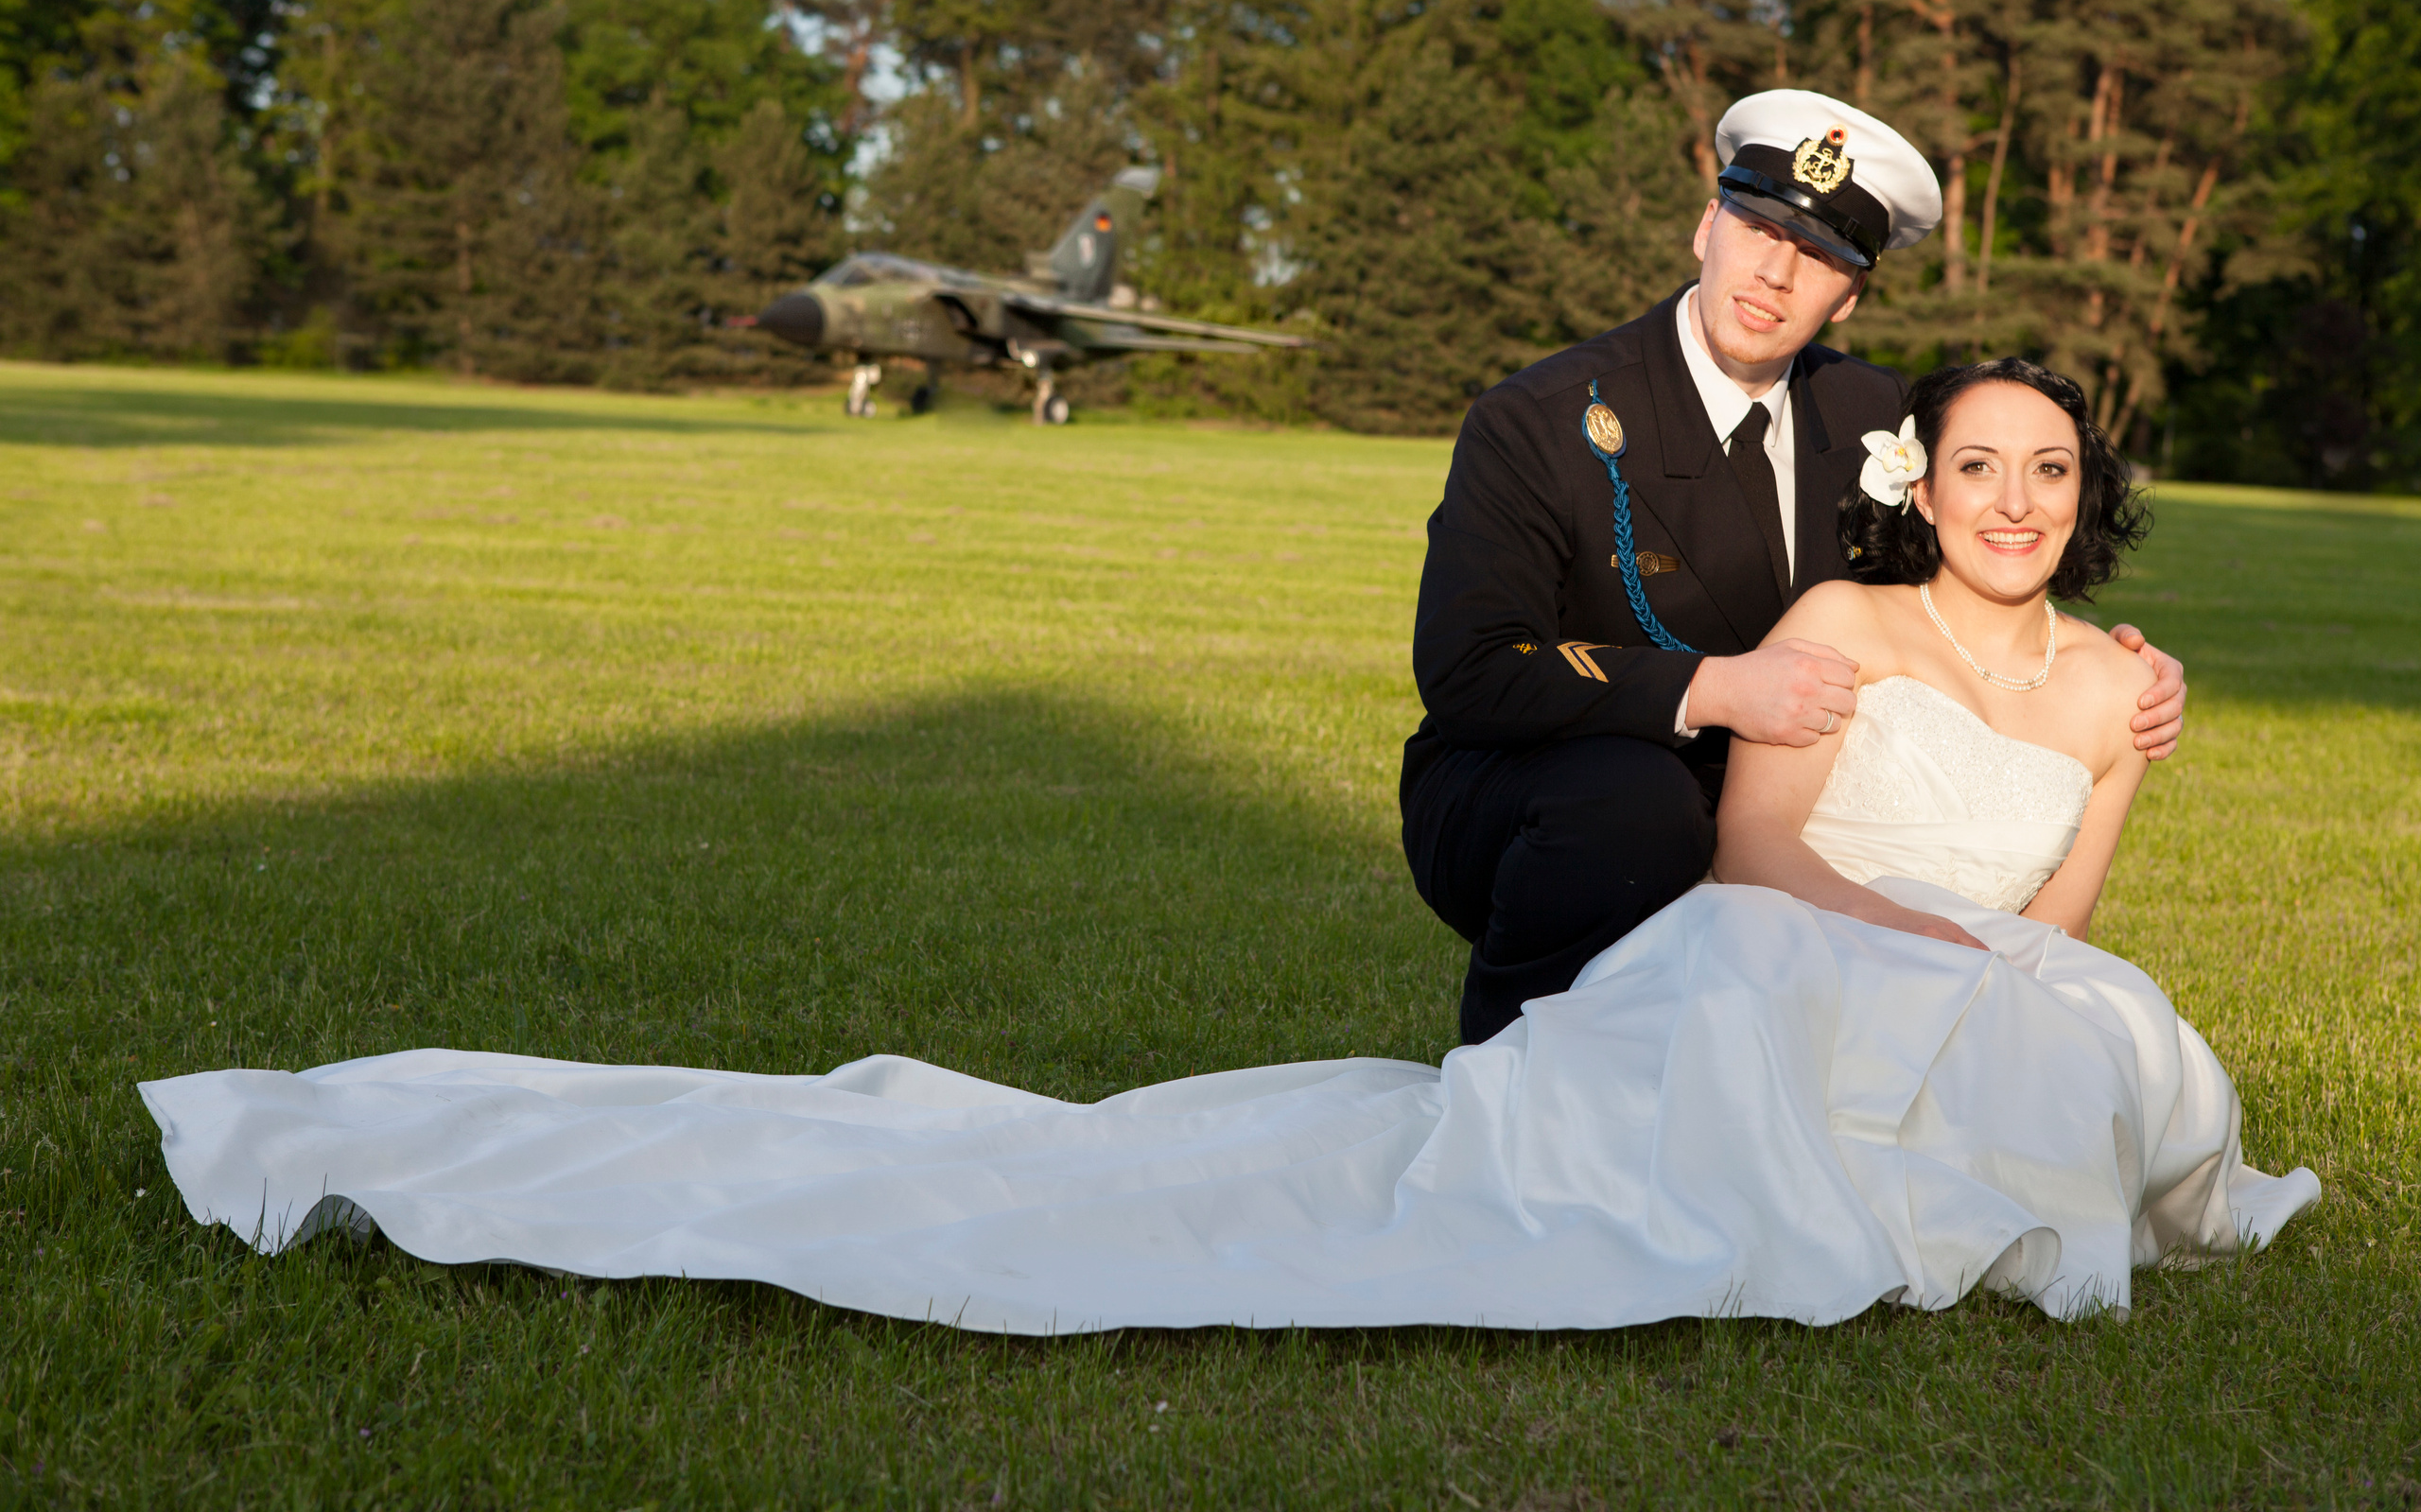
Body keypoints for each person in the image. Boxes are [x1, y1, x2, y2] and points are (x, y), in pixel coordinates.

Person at [139, 358, 2316, 1332]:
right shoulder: (1835, 624)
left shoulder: (2105, 690)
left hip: (1962, 980)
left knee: (2098, 1029)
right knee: (1518, 1185)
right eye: (1975, 465)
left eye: (2044, 469)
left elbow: (2054, 917)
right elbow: (1753, 860)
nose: (2011, 500)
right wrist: (1941, 966)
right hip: (1797, 960)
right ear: (1915, 486)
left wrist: (2077, 849)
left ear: (2077, 494)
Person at [1400, 88, 2187, 1047]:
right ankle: (1513, 1073)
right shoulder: (1541, 419)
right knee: (1636, 808)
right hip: (1552, 784)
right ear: (1705, 226)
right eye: (1756, 225)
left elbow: (1994, 527)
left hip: (1791, 803)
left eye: (1817, 255)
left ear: (1849, 296)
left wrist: (2108, 667)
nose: (1775, 271)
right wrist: (1713, 686)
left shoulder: (1880, 416)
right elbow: (1470, 667)